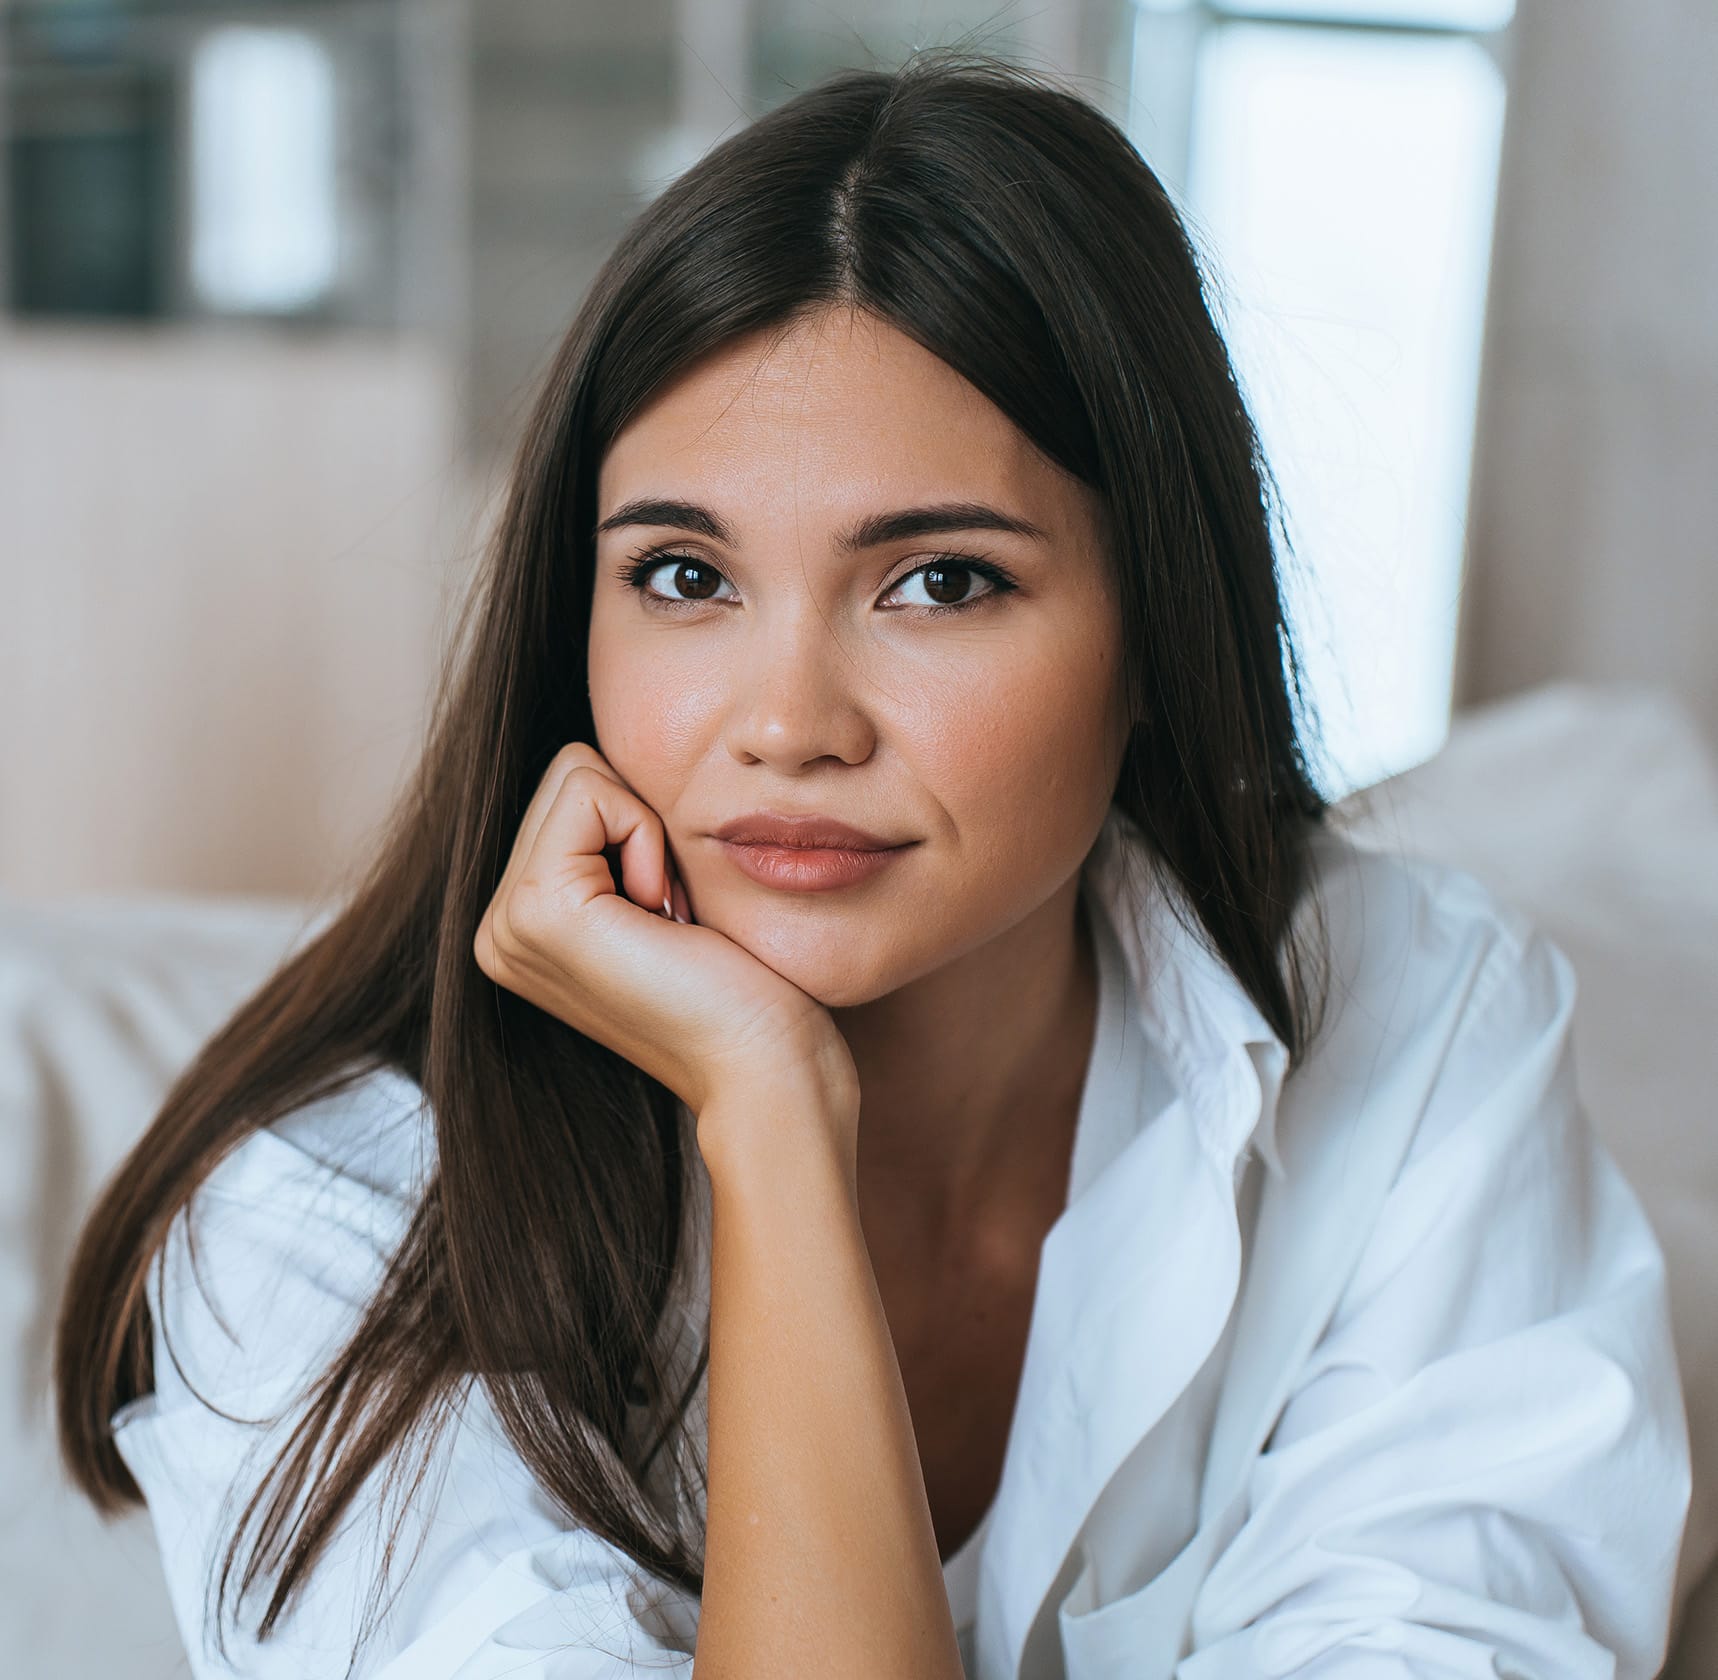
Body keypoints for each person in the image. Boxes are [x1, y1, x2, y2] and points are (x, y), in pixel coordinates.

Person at [53, 50, 1689, 1680]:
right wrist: (770, 1119)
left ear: (1153, 629)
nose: (785, 724)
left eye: (940, 585)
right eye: (685, 575)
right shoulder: (333, 1225)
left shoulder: (1413, 1015)